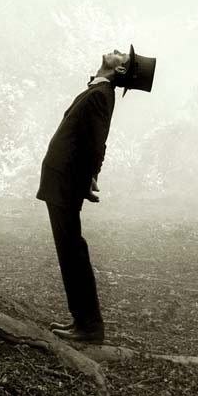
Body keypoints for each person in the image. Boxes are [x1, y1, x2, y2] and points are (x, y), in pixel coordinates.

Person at [36, 45, 157, 345]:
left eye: (123, 57)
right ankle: (83, 322)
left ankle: (89, 327)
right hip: (63, 179)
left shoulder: (101, 95)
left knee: (72, 252)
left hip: (66, 181)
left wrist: (91, 176)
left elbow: (96, 143)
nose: (117, 50)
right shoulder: (99, 91)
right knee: (70, 251)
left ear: (119, 70)